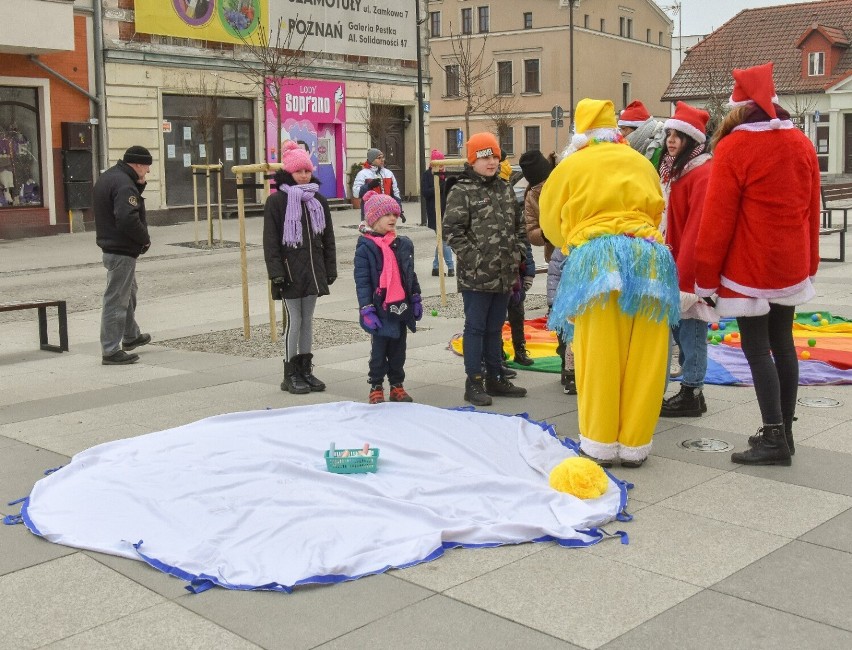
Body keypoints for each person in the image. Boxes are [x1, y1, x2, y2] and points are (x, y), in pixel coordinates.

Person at [693, 62, 821, 466]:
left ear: (737, 107)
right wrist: (810, 262)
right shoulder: (801, 142)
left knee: (756, 347)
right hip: (791, 264)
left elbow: (717, 222)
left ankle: (773, 436)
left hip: (750, 267)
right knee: (783, 344)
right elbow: (811, 210)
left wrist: (705, 279)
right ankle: (786, 430)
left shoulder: (734, 147)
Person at [540, 99, 679, 468]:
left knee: (598, 353)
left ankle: (600, 443)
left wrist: (573, 237)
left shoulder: (573, 164)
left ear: (582, 134)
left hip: (596, 260)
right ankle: (635, 445)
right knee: (646, 356)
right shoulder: (639, 161)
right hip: (649, 257)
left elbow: (551, 222)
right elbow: (657, 210)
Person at [443, 132, 528, 406]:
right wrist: (475, 259)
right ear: (473, 161)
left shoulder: (504, 188)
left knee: (495, 328)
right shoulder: (462, 191)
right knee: (476, 328)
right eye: (485, 158)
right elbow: (453, 232)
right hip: (476, 276)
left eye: (494, 156)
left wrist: (519, 253)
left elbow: (519, 225)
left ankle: (495, 376)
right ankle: (474, 381)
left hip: (504, 273)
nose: (491, 162)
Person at [263, 141, 337, 395]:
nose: (304, 175)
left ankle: (305, 368)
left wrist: (330, 267)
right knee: (295, 321)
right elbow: (270, 242)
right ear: (289, 173)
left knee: (308, 321)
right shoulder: (277, 202)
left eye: (307, 170)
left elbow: (328, 237)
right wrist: (276, 273)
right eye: (299, 171)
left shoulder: (318, 200)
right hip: (290, 272)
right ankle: (289, 372)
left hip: (314, 271)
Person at [658, 102, 715, 418]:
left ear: (693, 140)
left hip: (689, 271)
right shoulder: (675, 169)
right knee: (682, 330)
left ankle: (692, 392)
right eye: (669, 133)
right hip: (675, 263)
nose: (671, 139)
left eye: (679, 135)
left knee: (692, 331)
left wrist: (687, 277)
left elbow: (696, 228)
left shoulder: (701, 173)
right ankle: (691, 389)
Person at [354, 190, 422, 404]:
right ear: (374, 219)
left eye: (395, 214)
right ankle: (376, 385)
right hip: (379, 307)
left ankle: (397, 385)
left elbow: (409, 273)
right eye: (387, 215)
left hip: (400, 306)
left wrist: (416, 297)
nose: (393, 218)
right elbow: (362, 280)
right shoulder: (366, 247)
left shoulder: (402, 244)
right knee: (379, 350)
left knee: (399, 349)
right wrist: (366, 308)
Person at [93, 146, 153, 365]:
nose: (147, 172)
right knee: (116, 299)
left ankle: (130, 335)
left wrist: (139, 185)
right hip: (120, 249)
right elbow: (127, 219)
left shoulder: (111, 177)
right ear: (137, 164)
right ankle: (110, 350)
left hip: (112, 245)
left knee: (129, 292)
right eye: (146, 167)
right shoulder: (124, 184)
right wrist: (144, 238)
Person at [421, 148, 454, 277]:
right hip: (434, 212)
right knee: (444, 240)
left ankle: (435, 267)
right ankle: (451, 267)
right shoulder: (427, 175)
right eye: (439, 162)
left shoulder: (444, 175)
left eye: (442, 162)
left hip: (446, 211)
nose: (441, 165)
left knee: (441, 240)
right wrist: (439, 186)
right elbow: (425, 192)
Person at [352, 148, 403, 221]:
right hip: (370, 211)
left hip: (387, 210)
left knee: (387, 231)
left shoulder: (388, 173)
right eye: (379, 158)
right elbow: (356, 193)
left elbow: (395, 192)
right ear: (372, 160)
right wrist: (369, 186)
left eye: (383, 157)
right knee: (371, 232)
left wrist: (399, 208)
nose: (382, 160)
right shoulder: (363, 174)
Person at [618, 100, 667, 169]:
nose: (621, 134)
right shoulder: (629, 151)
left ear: (639, 130)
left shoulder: (660, 153)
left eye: (624, 129)